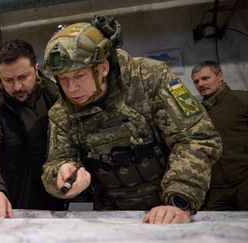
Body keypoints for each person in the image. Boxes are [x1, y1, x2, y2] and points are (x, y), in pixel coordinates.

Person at [41, 16, 222, 224]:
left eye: (79, 76)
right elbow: (54, 164)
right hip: (113, 219)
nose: (71, 89)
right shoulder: (61, 112)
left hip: (173, 208)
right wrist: (61, 174)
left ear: (103, 68)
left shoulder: (150, 78)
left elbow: (197, 138)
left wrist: (179, 200)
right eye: (63, 79)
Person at [0, 39, 64, 218]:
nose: (17, 86)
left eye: (23, 77)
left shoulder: (57, 97)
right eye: (8, 80)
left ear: (36, 69)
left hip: (60, 201)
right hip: (14, 203)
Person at [191, 60, 248, 210]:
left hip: (244, 182)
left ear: (220, 76)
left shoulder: (241, 99)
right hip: (216, 188)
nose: (200, 84)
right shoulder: (199, 111)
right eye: (196, 81)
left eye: (205, 78)